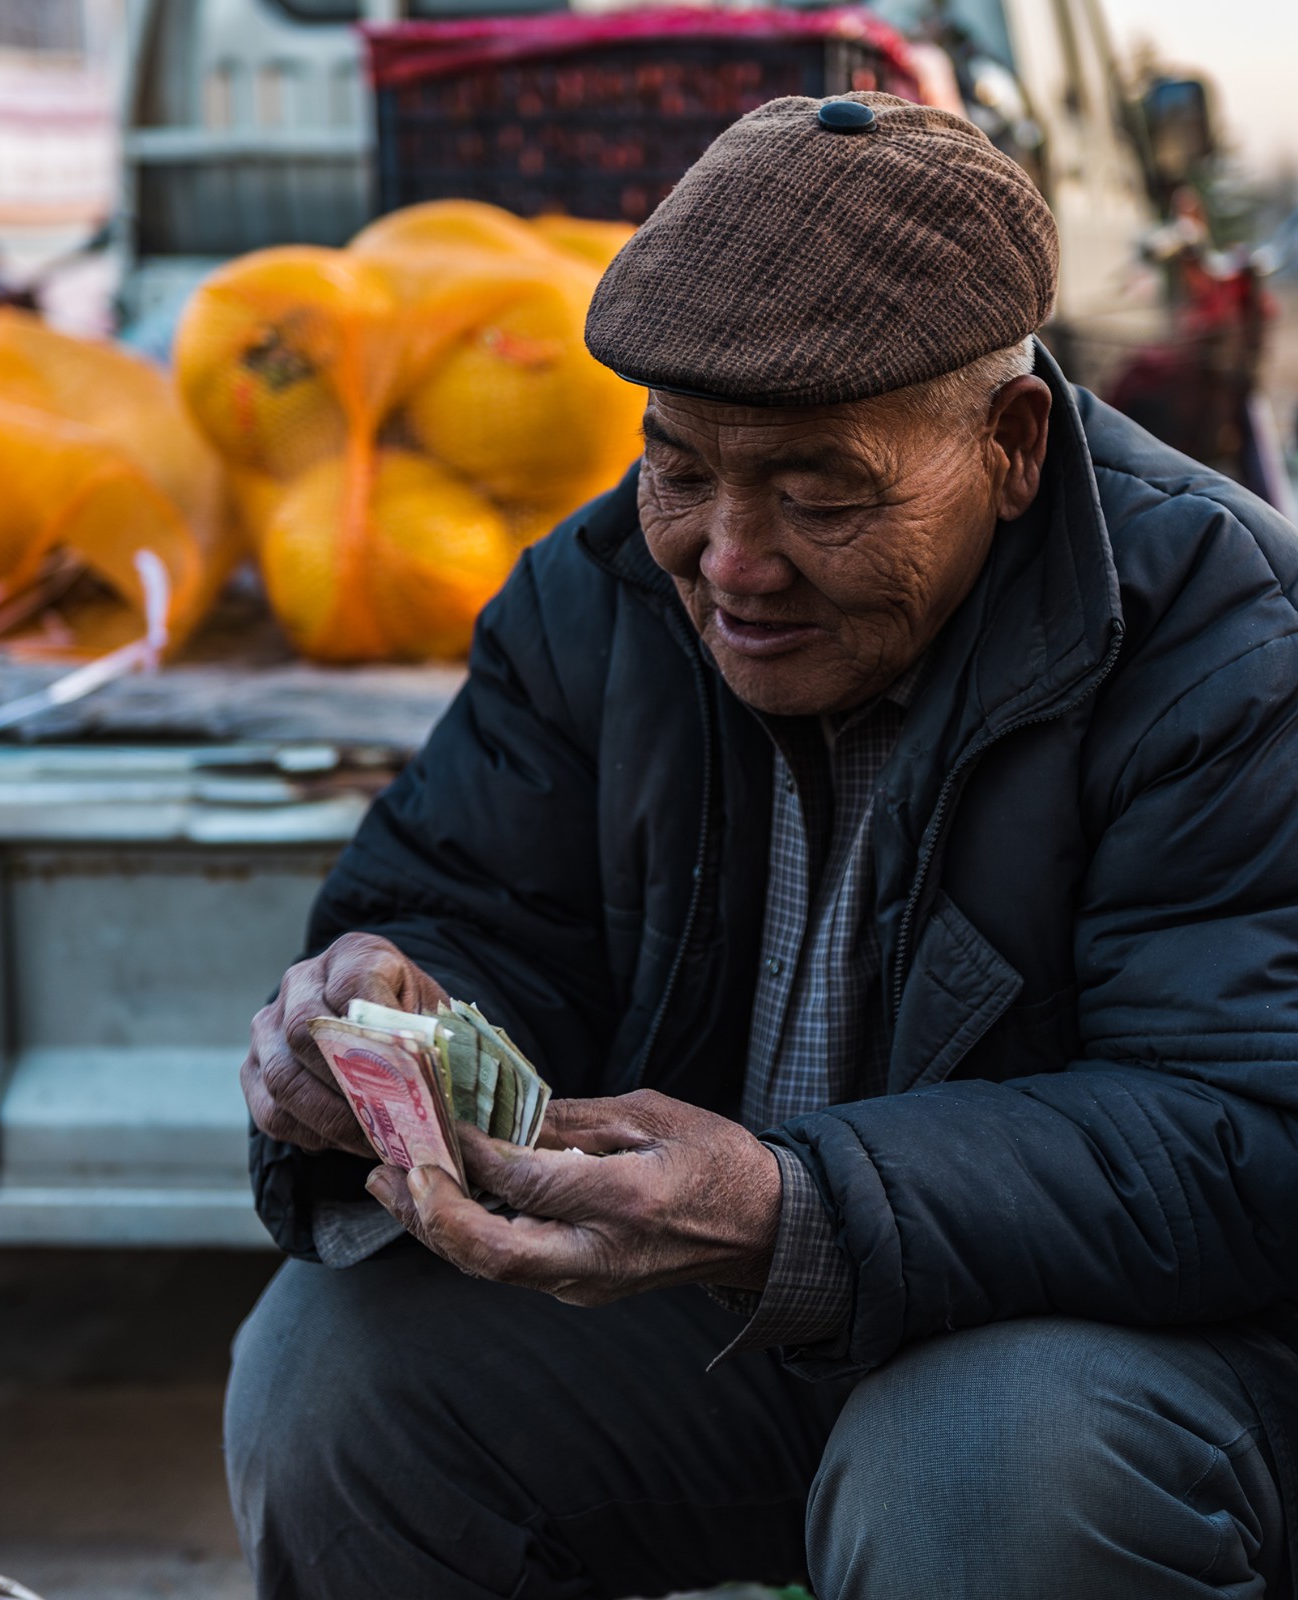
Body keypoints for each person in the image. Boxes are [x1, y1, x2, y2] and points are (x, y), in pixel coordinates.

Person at [227, 94, 1298, 1599]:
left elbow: (1246, 1131)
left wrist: (793, 1203)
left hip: (1139, 1357)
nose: (730, 558)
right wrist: (371, 1018)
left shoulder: (1224, 637)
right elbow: (469, 908)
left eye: (819, 490)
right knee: (338, 1375)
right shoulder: (597, 591)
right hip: (735, 1305)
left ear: (1011, 443)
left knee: (979, 1462)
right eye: (682, 467)